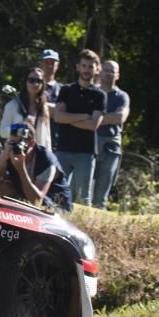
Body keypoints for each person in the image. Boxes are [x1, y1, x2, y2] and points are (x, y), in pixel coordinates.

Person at [53, 49, 106, 206]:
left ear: (96, 69)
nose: (87, 70)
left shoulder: (100, 95)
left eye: (90, 66)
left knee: (83, 197)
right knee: (56, 192)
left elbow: (93, 125)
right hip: (63, 149)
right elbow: (58, 117)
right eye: (84, 66)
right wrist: (83, 116)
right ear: (78, 67)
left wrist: (68, 118)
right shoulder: (66, 90)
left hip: (85, 153)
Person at [0, 122, 72, 212]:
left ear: (33, 143)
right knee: (2, 184)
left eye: (20, 145)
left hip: (55, 206)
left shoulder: (46, 160)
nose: (17, 149)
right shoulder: (10, 153)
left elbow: (37, 201)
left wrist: (21, 169)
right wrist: (3, 158)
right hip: (27, 199)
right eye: (13, 143)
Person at [92, 60, 130, 210]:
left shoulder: (122, 96)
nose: (108, 73)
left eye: (112, 71)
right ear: (100, 72)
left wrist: (94, 119)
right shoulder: (93, 92)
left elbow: (120, 118)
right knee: (81, 194)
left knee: (100, 198)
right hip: (88, 146)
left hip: (111, 149)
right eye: (106, 70)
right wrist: (108, 118)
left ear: (117, 75)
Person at [0, 67, 52, 150]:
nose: (35, 84)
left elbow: (47, 136)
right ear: (25, 82)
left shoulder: (43, 106)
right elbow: (2, 132)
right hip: (17, 155)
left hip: (38, 156)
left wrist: (49, 155)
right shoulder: (12, 105)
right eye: (31, 80)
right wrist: (20, 125)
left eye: (39, 81)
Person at [39, 49, 63, 150]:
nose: (49, 66)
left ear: (57, 65)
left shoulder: (63, 89)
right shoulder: (33, 85)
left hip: (57, 140)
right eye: (46, 62)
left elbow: (62, 111)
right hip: (38, 138)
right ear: (40, 64)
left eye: (52, 63)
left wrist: (43, 105)